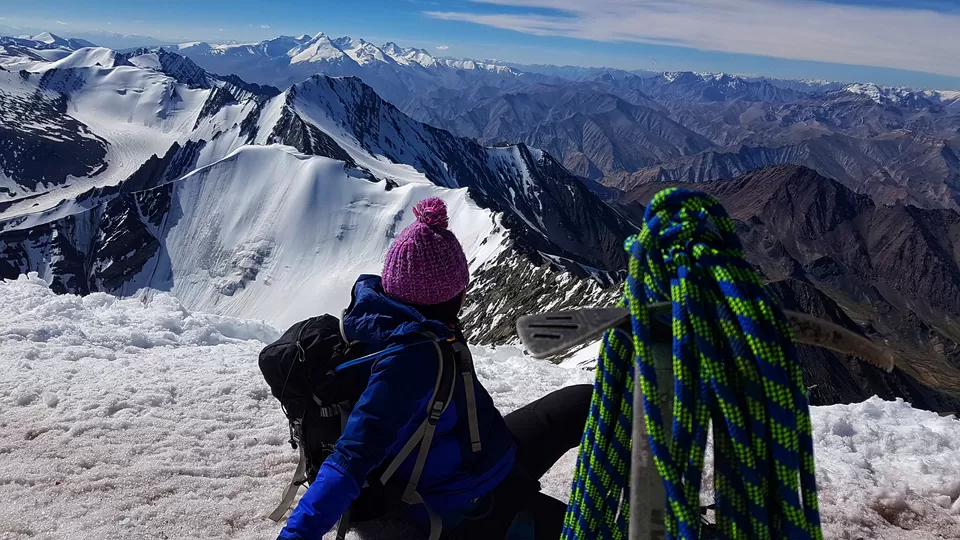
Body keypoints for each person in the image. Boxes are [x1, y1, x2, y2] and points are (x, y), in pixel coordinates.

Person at [277, 197, 592, 540]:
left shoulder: (399, 321)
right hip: (464, 503)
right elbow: (354, 454)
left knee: (583, 401)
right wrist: (297, 534)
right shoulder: (411, 358)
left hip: (483, 456)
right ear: (449, 296)